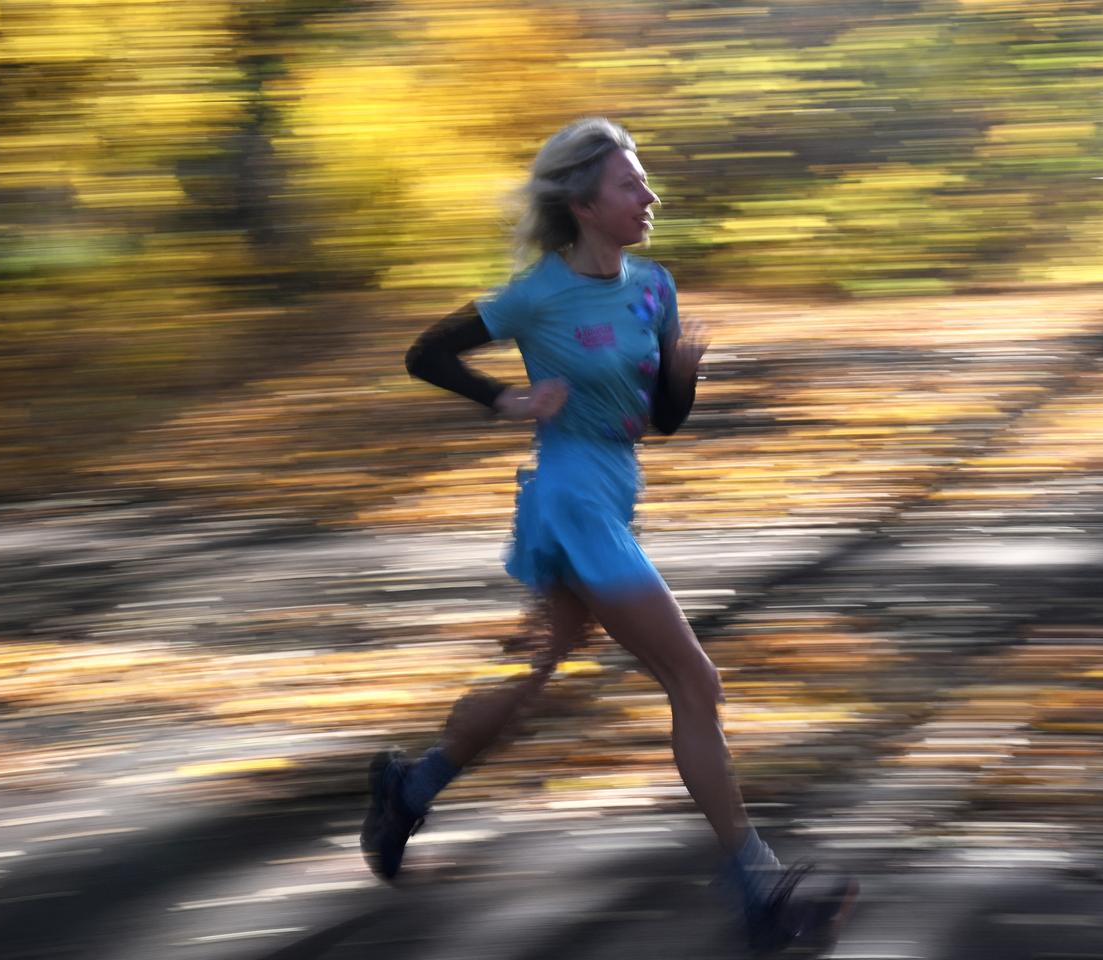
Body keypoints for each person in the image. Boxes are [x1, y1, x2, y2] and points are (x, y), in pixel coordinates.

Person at [361, 117, 857, 954]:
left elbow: (661, 420)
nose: (649, 196)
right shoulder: (536, 294)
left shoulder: (655, 287)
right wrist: (502, 400)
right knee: (694, 680)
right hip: (570, 499)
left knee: (537, 667)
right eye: (631, 185)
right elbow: (426, 353)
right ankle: (758, 887)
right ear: (586, 204)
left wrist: (681, 377)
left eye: (645, 181)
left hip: (612, 490)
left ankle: (410, 788)